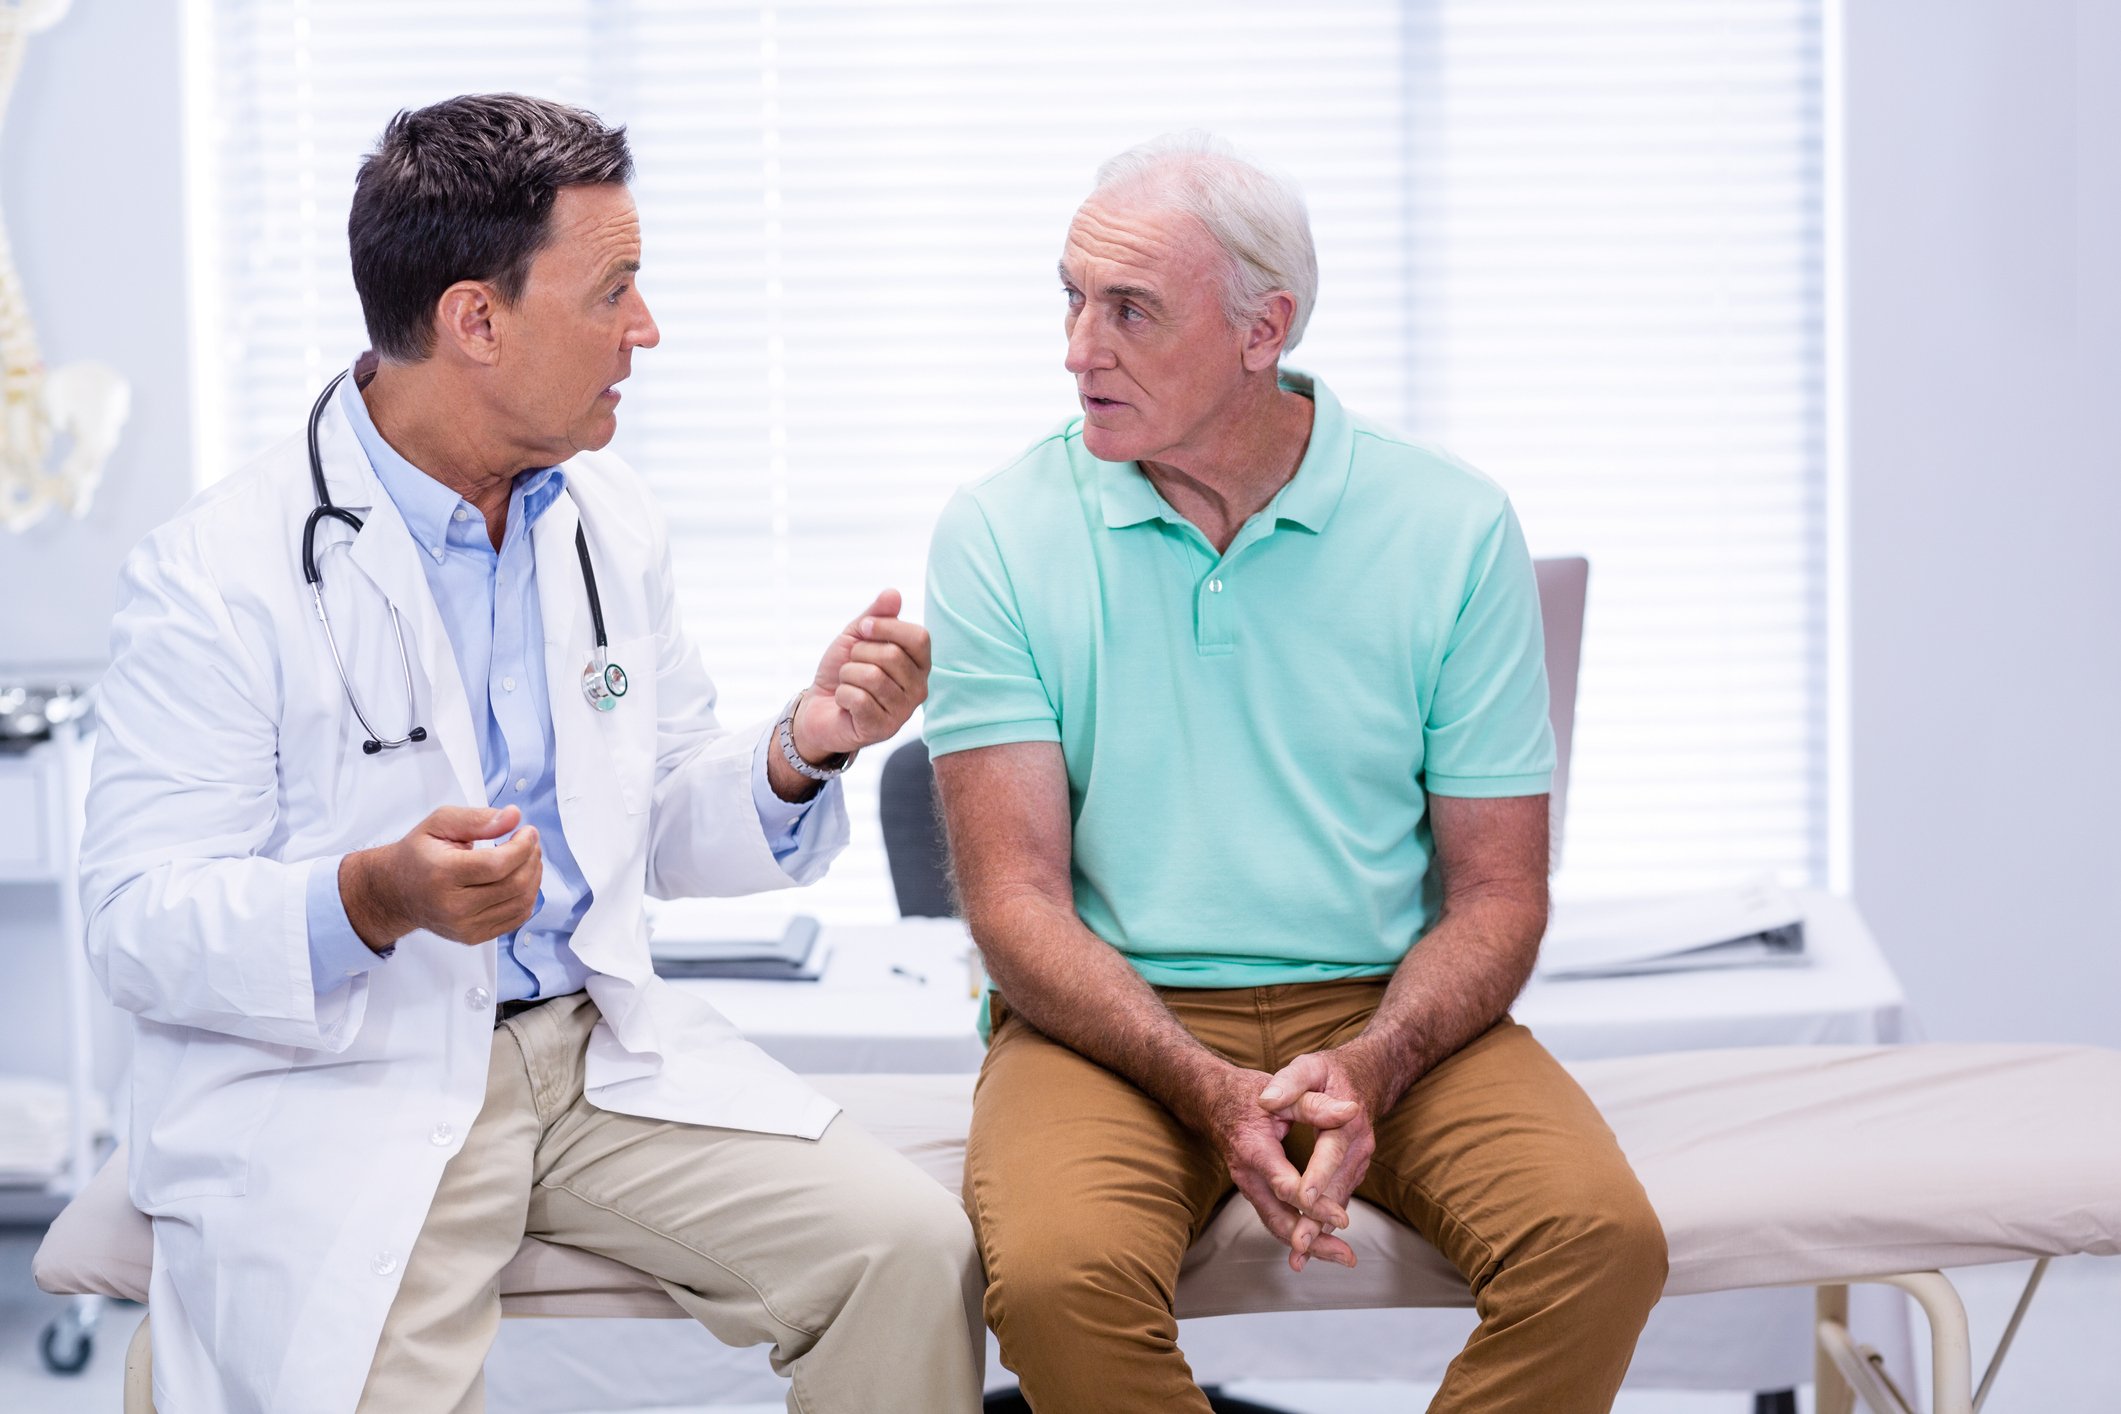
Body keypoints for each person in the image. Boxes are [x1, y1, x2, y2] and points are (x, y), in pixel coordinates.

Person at [79, 93, 982, 1414]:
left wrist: (805, 745)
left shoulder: (602, 518)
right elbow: (135, 922)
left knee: (908, 1254)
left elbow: (658, 810)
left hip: (588, 1049)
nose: (648, 328)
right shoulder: (218, 576)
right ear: (475, 320)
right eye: (613, 289)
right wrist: (374, 894)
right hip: (354, 1073)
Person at [923, 132, 1667, 1413]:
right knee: (1057, 1280)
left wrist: (1375, 1063)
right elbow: (1015, 905)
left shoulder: (1451, 525)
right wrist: (1206, 1086)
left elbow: (1498, 895)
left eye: (1129, 311)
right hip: (1110, 1021)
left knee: (1598, 1245)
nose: (1075, 348)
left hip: (1388, 1006)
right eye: (1071, 298)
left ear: (1262, 329)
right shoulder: (998, 533)